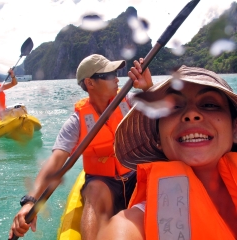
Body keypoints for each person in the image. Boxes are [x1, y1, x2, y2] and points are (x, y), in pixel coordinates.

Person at [8, 54, 153, 240]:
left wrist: (148, 88)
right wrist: (30, 201)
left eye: (117, 73)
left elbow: (167, 114)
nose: (117, 79)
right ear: (90, 83)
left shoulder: (130, 101)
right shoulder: (76, 122)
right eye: (110, 75)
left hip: (134, 176)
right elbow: (56, 162)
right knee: (94, 190)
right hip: (104, 185)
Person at [96, 64, 237, 240]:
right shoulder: (130, 225)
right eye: (174, 107)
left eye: (209, 104)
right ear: (158, 139)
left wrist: (148, 88)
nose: (192, 114)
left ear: (235, 129)